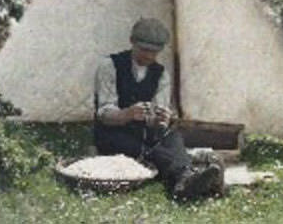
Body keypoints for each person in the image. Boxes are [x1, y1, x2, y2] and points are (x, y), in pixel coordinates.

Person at [94, 17, 224, 200]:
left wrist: (162, 119)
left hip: (145, 133)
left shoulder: (161, 74)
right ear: (132, 42)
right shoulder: (110, 66)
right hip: (113, 134)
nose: (149, 56)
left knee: (173, 137)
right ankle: (185, 181)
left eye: (155, 52)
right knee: (152, 152)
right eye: (144, 50)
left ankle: (187, 180)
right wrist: (126, 114)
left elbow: (159, 117)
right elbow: (103, 113)